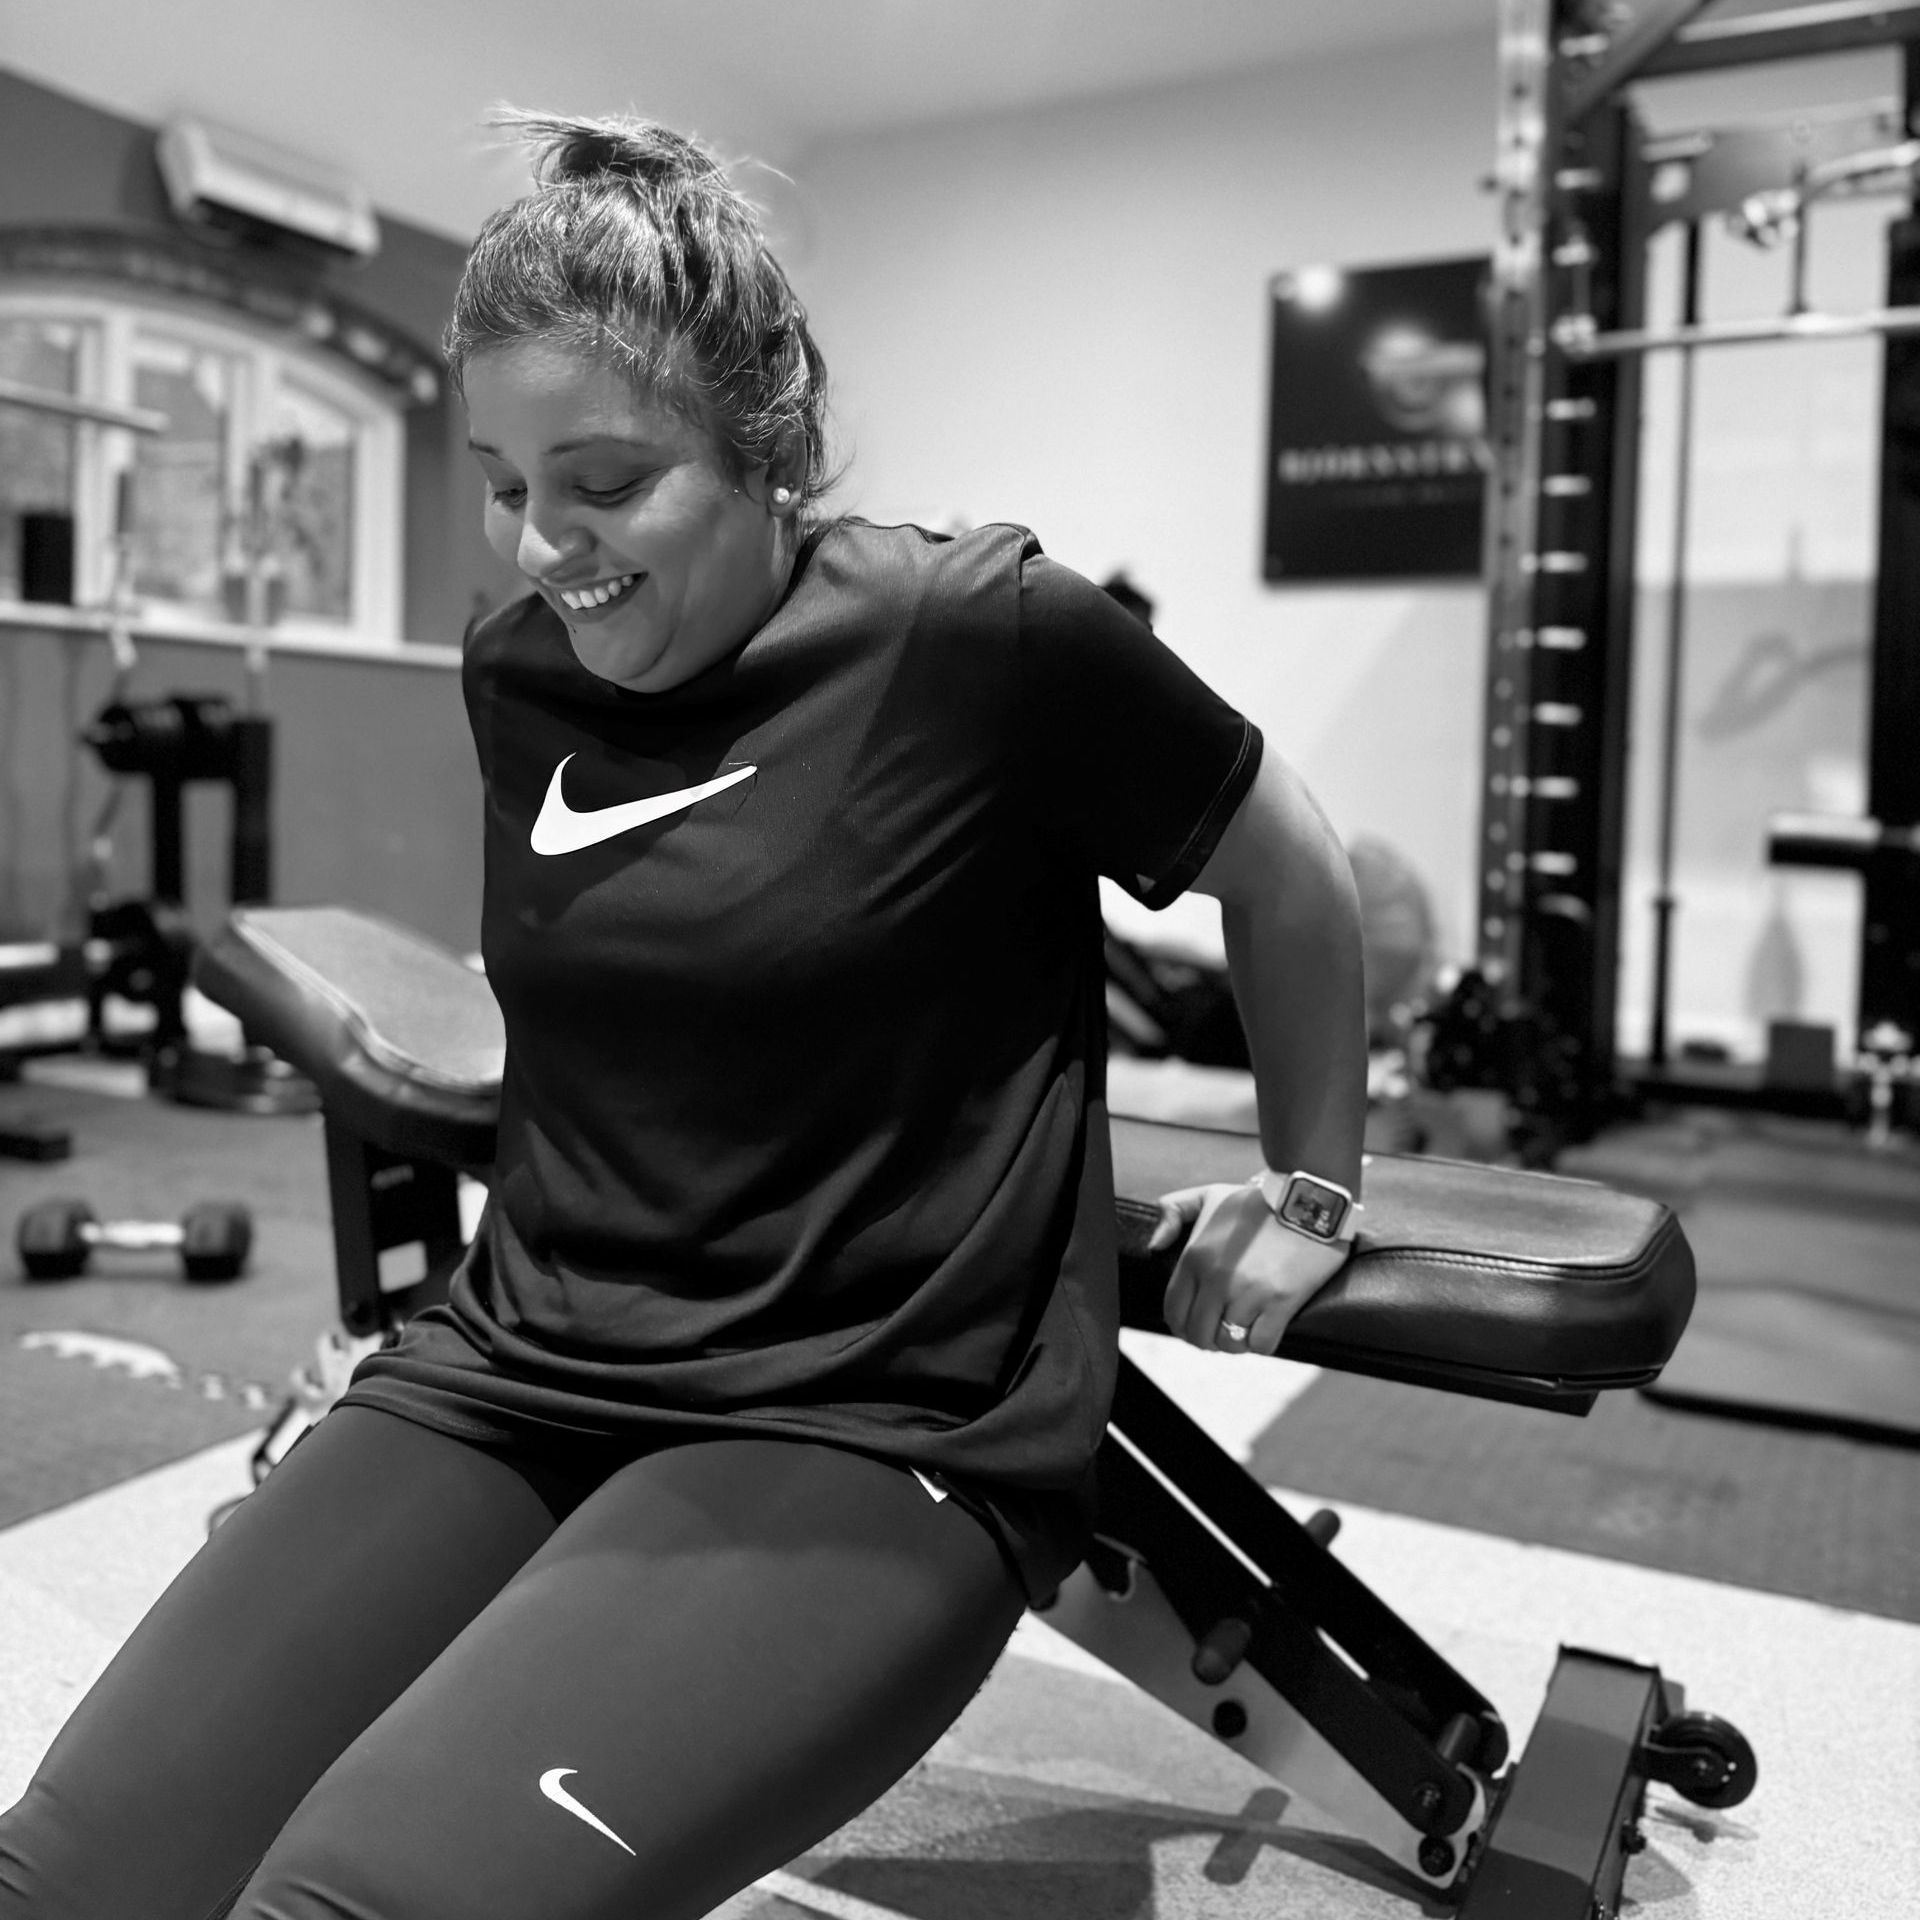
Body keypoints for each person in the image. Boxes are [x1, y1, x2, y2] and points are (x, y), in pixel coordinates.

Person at [0, 111, 1367, 1920]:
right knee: (64, 1879)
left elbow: (1297, 876)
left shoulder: (985, 638)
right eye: (503, 483)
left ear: (768, 450)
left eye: (607, 479)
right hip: (523, 1361)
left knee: (346, 1903)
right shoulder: (518, 675)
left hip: (873, 1419)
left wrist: (1309, 1187)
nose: (544, 546)